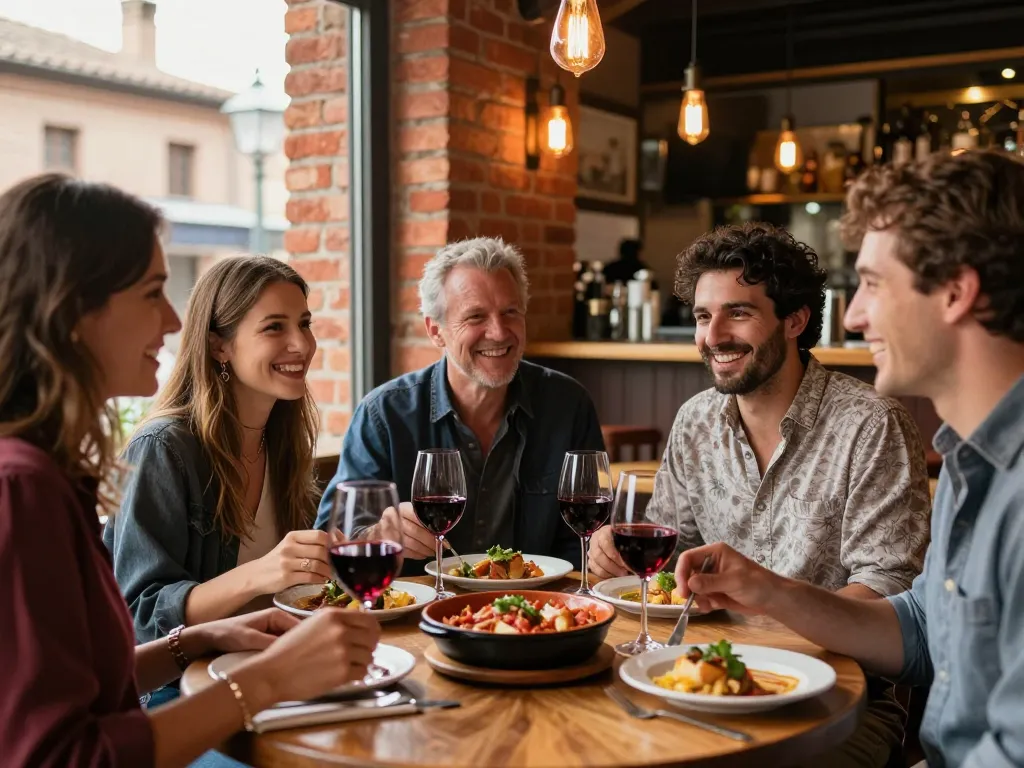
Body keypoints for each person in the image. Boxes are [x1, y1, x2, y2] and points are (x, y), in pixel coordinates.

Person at [0, 174, 379, 767]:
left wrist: (197, 641)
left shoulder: (52, 477)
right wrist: (268, 679)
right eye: (153, 292)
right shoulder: (24, 488)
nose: (175, 322)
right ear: (73, 308)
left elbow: (89, 672)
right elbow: (67, 747)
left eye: (303, 323)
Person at [674, 150, 1024, 768]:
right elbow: (918, 633)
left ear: (955, 293)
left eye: (872, 284)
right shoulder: (971, 463)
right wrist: (761, 588)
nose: (856, 315)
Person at [589, 222, 931, 768]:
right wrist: (619, 557)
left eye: (738, 313)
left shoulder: (871, 425)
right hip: (700, 683)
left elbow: (889, 594)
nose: (713, 335)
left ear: (794, 320)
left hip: (837, 705)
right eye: (703, 316)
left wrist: (769, 598)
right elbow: (670, 563)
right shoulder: (695, 421)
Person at [104, 255, 332, 707]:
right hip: (180, 696)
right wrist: (257, 575)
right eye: (274, 328)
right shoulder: (164, 448)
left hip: (276, 675)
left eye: (304, 324)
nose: (301, 344)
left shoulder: (282, 442)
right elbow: (138, 617)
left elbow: (298, 589)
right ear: (218, 346)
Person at [315, 237, 605, 570]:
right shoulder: (383, 414)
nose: (498, 332)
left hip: (539, 613)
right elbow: (331, 539)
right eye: (475, 316)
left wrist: (602, 553)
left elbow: (588, 541)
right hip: (414, 613)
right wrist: (379, 535)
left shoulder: (568, 404)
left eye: (510, 312)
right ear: (435, 331)